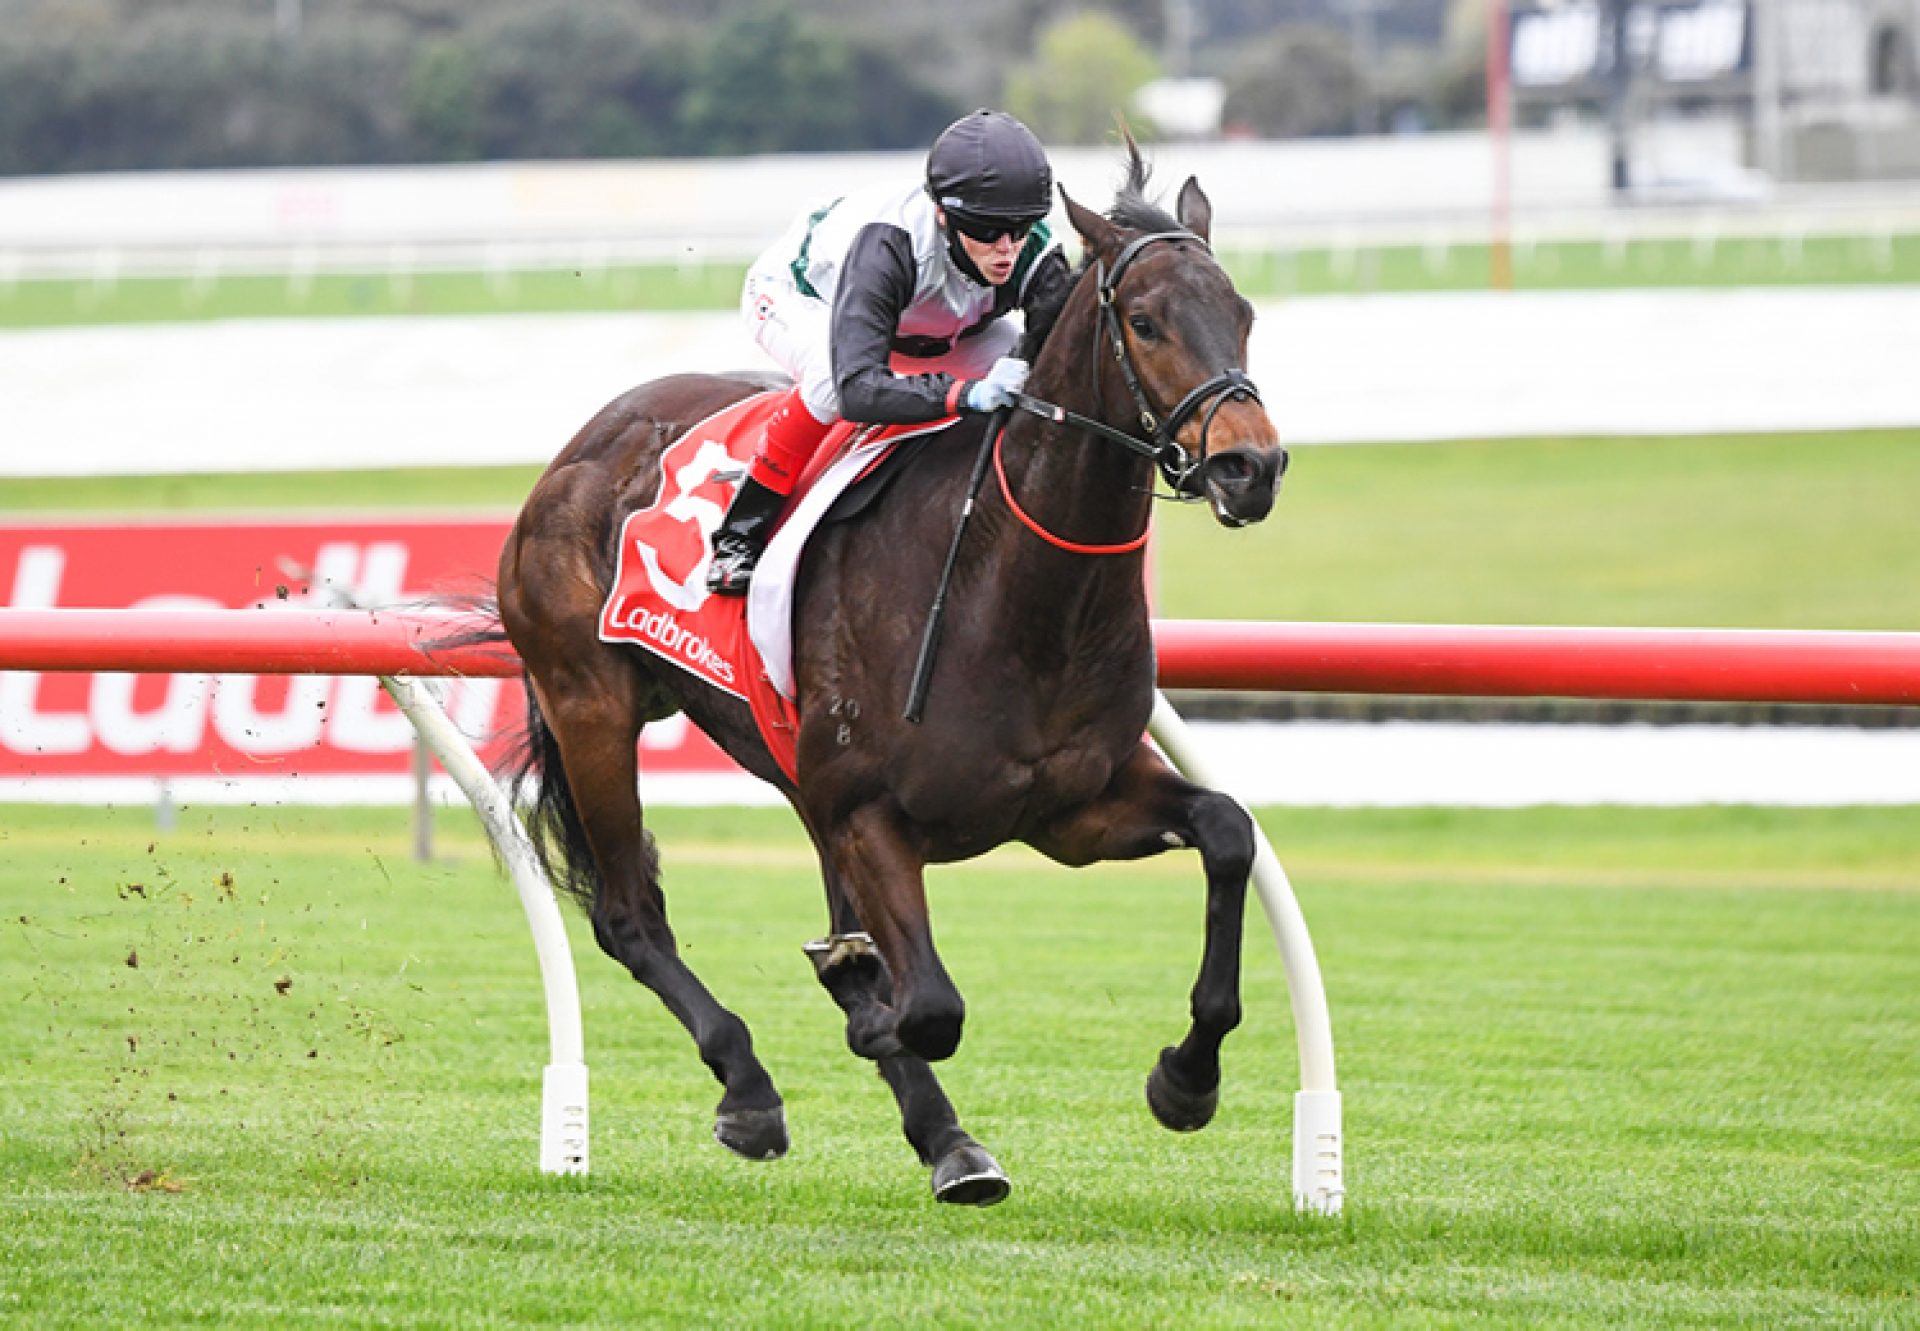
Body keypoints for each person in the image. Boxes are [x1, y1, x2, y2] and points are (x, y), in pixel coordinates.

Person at [705, 108, 1075, 595]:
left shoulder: (1034, 251)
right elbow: (859, 390)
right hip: (806, 301)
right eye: (986, 232)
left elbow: (1057, 354)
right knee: (826, 384)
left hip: (934, 328)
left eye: (1021, 227)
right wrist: (963, 394)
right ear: (943, 215)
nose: (1006, 249)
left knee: (1030, 381)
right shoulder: (889, 245)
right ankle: (740, 536)